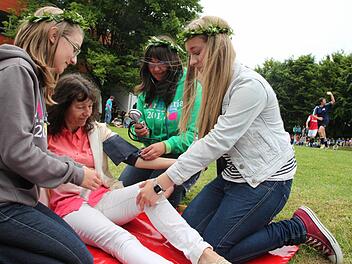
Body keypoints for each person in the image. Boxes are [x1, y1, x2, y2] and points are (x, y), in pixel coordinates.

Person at [137, 16, 343, 264]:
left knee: (214, 251)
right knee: (187, 236)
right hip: (232, 177)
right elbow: (202, 141)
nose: (191, 63)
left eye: (196, 53)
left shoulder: (248, 86)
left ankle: (298, 227)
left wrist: (162, 182)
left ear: (217, 48)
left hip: (266, 180)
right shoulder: (213, 85)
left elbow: (217, 141)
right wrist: (174, 179)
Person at [46, 73, 230, 264]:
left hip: (102, 198)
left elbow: (134, 158)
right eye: (80, 107)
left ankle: (204, 255)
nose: (87, 112)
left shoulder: (95, 130)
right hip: (70, 208)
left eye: (90, 106)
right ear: (63, 106)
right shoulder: (44, 136)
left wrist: (184, 164)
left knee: (151, 190)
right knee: (120, 239)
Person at [0, 6, 102, 263]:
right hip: (5, 203)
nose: (74, 60)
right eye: (75, 48)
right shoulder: (16, 71)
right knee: (79, 259)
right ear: (54, 35)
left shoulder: (28, 76)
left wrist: (72, 167)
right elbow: (18, 153)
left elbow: (32, 148)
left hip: (17, 198)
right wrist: (76, 173)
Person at [119, 35, 202, 207]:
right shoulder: (145, 90)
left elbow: (192, 135)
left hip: (181, 156)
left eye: (162, 63)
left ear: (173, 62)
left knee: (155, 196)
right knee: (122, 192)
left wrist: (164, 146)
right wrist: (139, 130)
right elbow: (137, 125)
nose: (156, 69)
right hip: (151, 153)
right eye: (151, 63)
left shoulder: (191, 86)